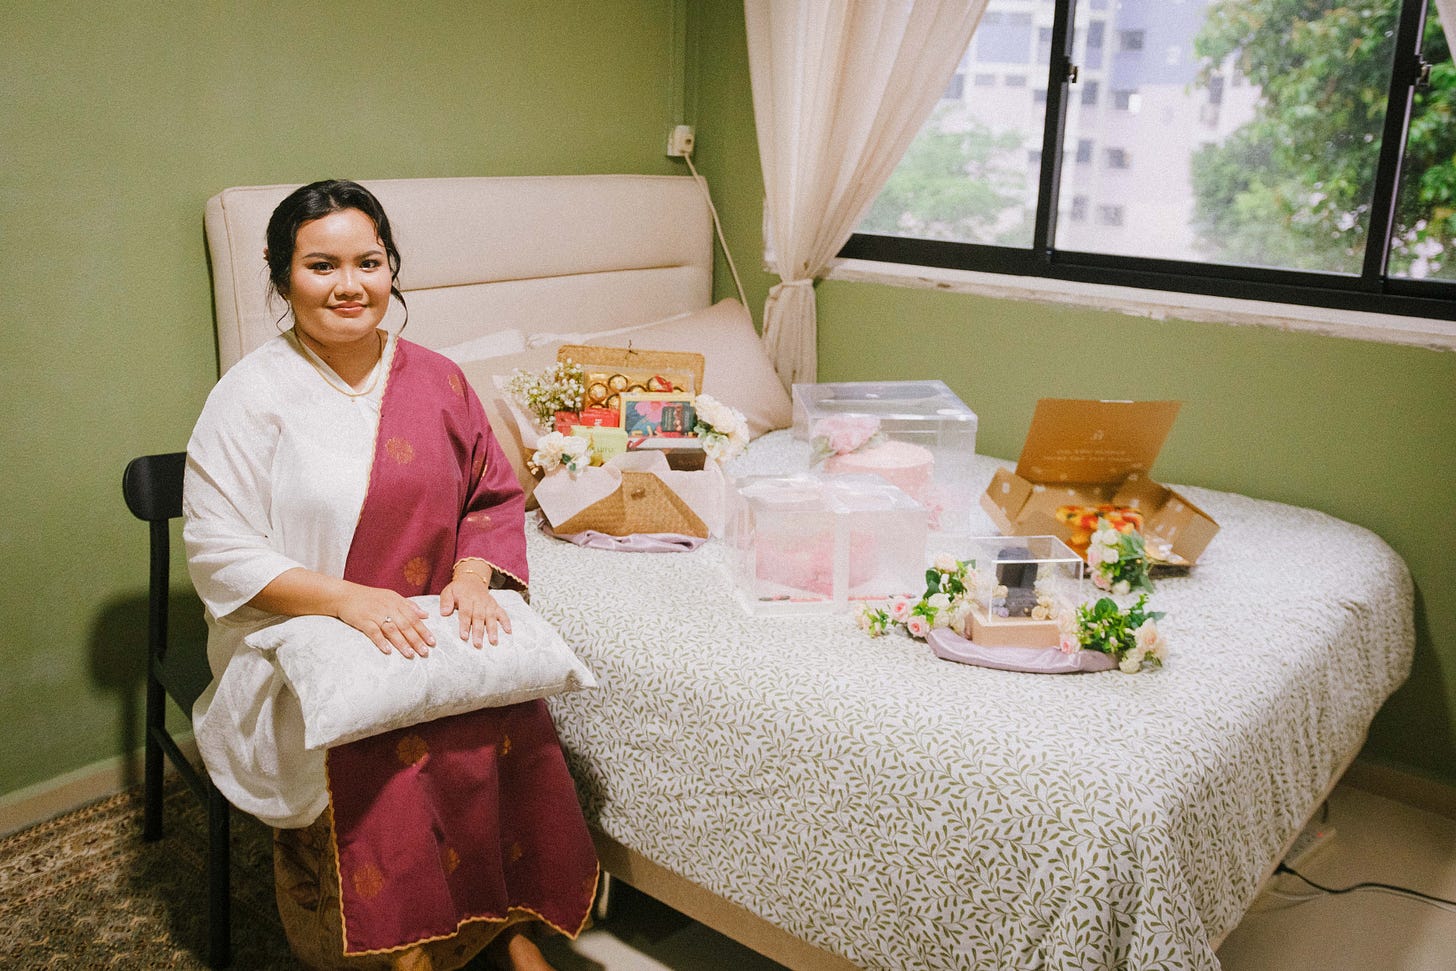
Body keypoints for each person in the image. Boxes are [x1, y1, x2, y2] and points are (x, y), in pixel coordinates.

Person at [183, 179, 597, 971]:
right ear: (281, 275)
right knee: (390, 754)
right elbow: (218, 546)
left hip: (429, 620)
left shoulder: (439, 379)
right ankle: (405, 952)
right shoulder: (249, 398)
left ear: (391, 269)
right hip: (300, 629)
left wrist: (471, 578)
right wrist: (347, 599)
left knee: (510, 721)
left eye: (367, 263)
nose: (349, 285)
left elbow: (491, 493)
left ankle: (507, 927)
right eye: (321, 265)